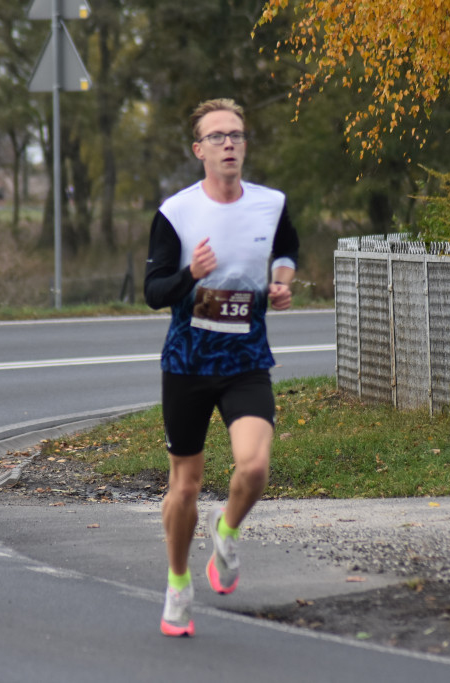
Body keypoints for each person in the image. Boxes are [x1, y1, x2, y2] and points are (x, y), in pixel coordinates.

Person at [143, 98, 299, 637]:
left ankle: (227, 532)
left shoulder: (271, 204)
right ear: (199, 151)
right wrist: (192, 273)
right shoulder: (176, 212)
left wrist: (282, 282)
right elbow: (152, 292)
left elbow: (286, 249)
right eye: (218, 137)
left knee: (254, 468)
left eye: (236, 135)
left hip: (246, 361)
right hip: (187, 364)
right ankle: (178, 583)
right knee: (184, 487)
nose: (229, 143)